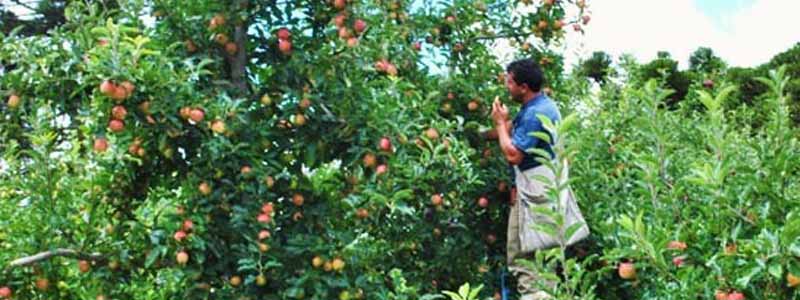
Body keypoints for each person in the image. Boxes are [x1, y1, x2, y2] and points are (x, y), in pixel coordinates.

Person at [488, 58, 589, 300]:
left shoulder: (537, 113)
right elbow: (513, 130)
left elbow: (513, 154)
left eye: (510, 83)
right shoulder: (538, 106)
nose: (507, 87)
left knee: (531, 255)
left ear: (523, 86)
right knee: (532, 255)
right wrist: (478, 133)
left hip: (537, 195)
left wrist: (500, 124)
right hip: (534, 192)